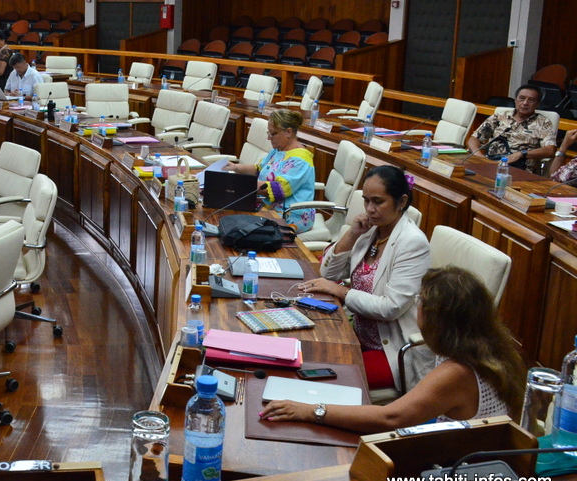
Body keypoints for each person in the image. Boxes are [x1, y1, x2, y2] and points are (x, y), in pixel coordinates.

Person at [260, 266, 526, 432]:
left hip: (457, 467)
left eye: (420, 302)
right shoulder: (493, 347)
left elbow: (391, 417)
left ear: (437, 319)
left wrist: (310, 411)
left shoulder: (457, 371)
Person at [299, 165, 433, 392]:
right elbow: (328, 274)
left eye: (378, 202)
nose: (370, 209)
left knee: (325, 381)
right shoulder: (371, 231)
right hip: (356, 335)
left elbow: (390, 308)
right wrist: (352, 234)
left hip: (390, 350)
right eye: (366, 201)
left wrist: (341, 292)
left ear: (401, 202)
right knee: (305, 356)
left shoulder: (412, 243)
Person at [222, 109, 316, 233]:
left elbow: (278, 189)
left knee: (240, 227)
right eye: (268, 132)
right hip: (269, 207)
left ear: (288, 132)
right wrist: (235, 168)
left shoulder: (300, 160)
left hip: (291, 215)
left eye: (272, 133)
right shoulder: (278, 151)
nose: (268, 137)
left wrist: (238, 184)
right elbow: (260, 169)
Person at [467, 84, 556, 172]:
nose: (525, 103)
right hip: (490, 164)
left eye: (531, 100)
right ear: (515, 101)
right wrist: (479, 156)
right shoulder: (500, 117)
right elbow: (474, 139)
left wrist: (521, 154)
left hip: (520, 170)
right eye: (521, 98)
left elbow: (550, 150)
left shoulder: (543, 122)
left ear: (537, 104)